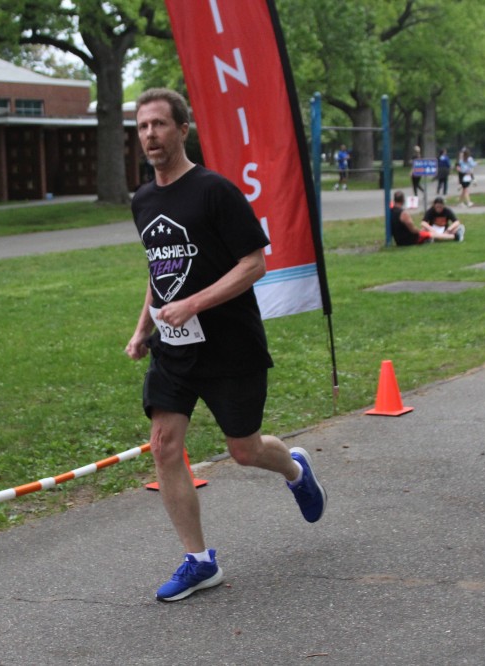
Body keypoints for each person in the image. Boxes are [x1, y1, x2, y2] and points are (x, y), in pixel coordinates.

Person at [125, 88, 327, 603]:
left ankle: (294, 468)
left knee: (244, 449)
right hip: (175, 347)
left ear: (182, 129)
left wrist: (193, 303)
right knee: (164, 446)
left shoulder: (215, 191)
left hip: (230, 344)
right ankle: (199, 562)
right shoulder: (143, 201)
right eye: (142, 126)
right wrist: (143, 326)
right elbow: (159, 268)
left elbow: (254, 264)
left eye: (159, 124)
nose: (150, 135)